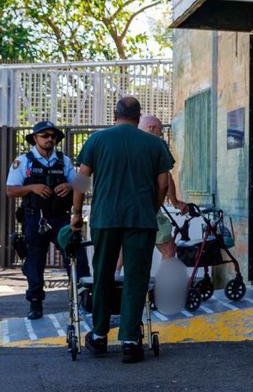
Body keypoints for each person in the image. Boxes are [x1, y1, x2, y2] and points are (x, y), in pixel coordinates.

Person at [71, 97, 174, 364]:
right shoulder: (155, 144)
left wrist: (75, 214)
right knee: (136, 278)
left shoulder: (97, 140)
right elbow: (163, 183)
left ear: (115, 115)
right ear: (138, 117)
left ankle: (99, 335)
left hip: (105, 217)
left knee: (104, 274)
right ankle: (130, 339)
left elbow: (81, 179)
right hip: (141, 218)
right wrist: (151, 207)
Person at [5, 121, 79, 319]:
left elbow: (84, 183)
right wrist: (31, 188)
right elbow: (10, 190)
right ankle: (35, 303)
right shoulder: (23, 161)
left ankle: (81, 298)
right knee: (34, 260)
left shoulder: (65, 161)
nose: (49, 139)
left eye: (52, 136)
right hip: (34, 218)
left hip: (61, 218)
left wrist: (71, 186)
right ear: (35, 138)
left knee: (73, 255)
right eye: (44, 135)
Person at [138, 114, 188, 259]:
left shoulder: (122, 143)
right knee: (169, 249)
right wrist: (175, 202)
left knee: (123, 251)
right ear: (152, 128)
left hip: (120, 208)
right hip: (148, 205)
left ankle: (114, 280)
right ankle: (167, 282)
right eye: (160, 133)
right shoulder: (156, 144)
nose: (160, 136)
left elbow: (83, 177)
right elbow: (166, 178)